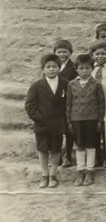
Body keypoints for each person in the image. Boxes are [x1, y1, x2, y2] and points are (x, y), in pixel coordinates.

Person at [25, 54, 68, 188]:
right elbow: (30, 105)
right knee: (42, 149)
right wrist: (40, 119)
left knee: (56, 149)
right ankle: (44, 175)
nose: (51, 69)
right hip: (42, 125)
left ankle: (53, 174)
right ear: (43, 69)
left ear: (59, 68)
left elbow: (68, 103)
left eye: (54, 66)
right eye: (48, 67)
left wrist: (64, 120)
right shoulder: (37, 85)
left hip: (58, 124)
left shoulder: (65, 84)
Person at [65, 53, 105, 185]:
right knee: (80, 145)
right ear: (76, 69)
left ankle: (89, 171)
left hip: (92, 119)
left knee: (91, 144)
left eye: (87, 68)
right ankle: (80, 170)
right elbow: (69, 103)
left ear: (92, 69)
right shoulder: (71, 84)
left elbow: (101, 103)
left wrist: (100, 120)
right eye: (81, 68)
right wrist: (69, 121)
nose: (84, 71)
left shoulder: (96, 84)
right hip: (76, 119)